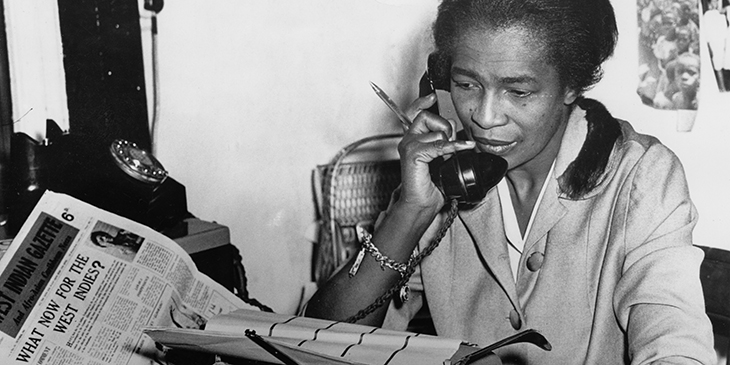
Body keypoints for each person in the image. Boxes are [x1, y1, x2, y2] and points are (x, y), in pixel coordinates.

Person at [305, 0, 715, 364]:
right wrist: (410, 211)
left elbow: (673, 336)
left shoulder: (642, 177)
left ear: (573, 84)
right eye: (467, 85)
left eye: (518, 91)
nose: (484, 116)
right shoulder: (448, 177)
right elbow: (316, 344)